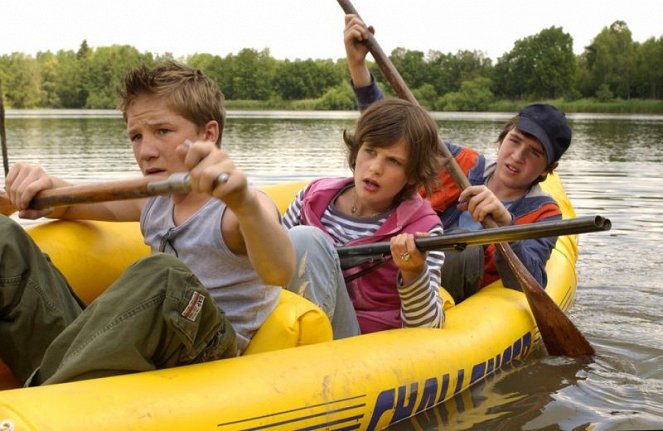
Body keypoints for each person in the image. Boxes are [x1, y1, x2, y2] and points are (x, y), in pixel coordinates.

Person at [0, 61, 295, 386]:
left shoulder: (237, 208)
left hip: (204, 347)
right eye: (136, 136)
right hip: (137, 343)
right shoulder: (151, 198)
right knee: (3, 236)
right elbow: (69, 204)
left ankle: (43, 396)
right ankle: (55, 386)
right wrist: (37, 184)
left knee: (164, 274)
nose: (146, 151)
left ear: (208, 134)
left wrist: (244, 203)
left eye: (162, 131)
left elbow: (279, 271)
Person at [343, 14, 573, 303]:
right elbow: (394, 136)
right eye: (514, 141)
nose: (516, 156)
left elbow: (530, 283)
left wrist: (506, 225)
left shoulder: (545, 214)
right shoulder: (460, 162)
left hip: (450, 291)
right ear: (503, 138)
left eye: (534, 153)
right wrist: (358, 66)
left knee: (467, 252)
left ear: (548, 169)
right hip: (398, 263)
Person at [283, 97, 447, 336]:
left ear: (412, 175)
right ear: (357, 149)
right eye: (370, 151)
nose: (375, 168)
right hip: (292, 324)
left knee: (305, 239)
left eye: (393, 161)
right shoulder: (310, 198)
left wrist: (414, 274)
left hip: (359, 347)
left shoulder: (423, 229)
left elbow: (429, 328)